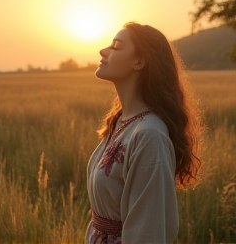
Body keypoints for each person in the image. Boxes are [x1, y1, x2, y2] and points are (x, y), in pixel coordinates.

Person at [86, 22, 202, 244]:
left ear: (139, 61)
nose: (103, 51)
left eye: (116, 46)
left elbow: (148, 232)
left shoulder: (150, 136)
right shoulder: (121, 122)